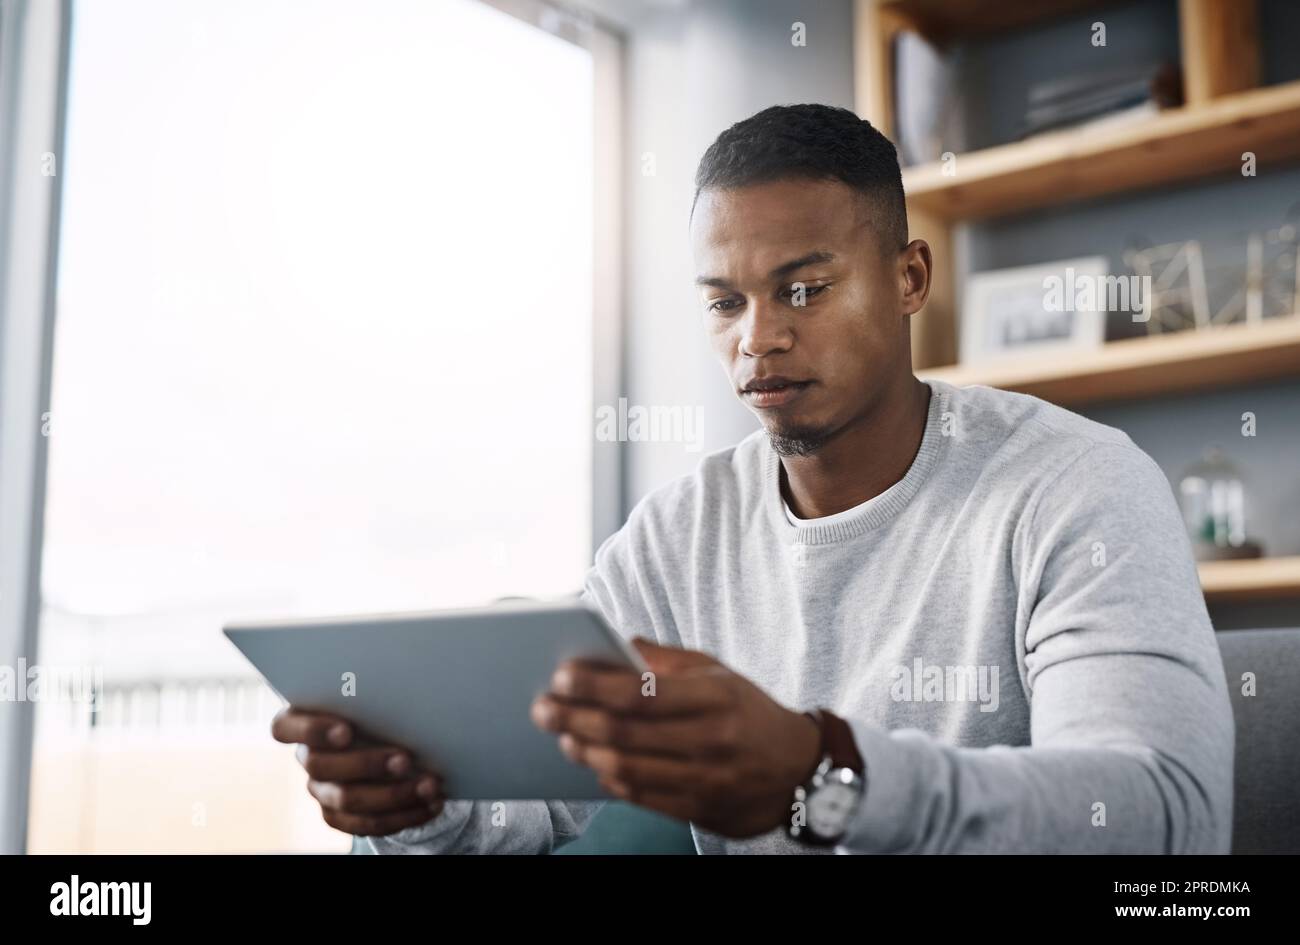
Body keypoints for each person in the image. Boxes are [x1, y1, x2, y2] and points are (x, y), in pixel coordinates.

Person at [272, 104, 1234, 854]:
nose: (757, 337)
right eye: (725, 301)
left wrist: (823, 774)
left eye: (803, 290)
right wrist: (413, 802)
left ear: (908, 280)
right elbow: (534, 811)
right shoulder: (677, 537)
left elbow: (1158, 821)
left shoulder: (1077, 486)